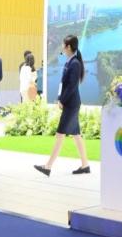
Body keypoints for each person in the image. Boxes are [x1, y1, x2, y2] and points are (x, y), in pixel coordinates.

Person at [35, 35, 89, 176]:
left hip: (71, 104)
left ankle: (48, 167)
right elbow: (63, 84)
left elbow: (71, 86)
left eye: (63, 45)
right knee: (76, 135)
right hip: (71, 103)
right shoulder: (70, 62)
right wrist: (60, 98)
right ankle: (85, 165)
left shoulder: (74, 64)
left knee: (60, 134)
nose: (62, 48)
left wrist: (62, 100)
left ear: (68, 47)